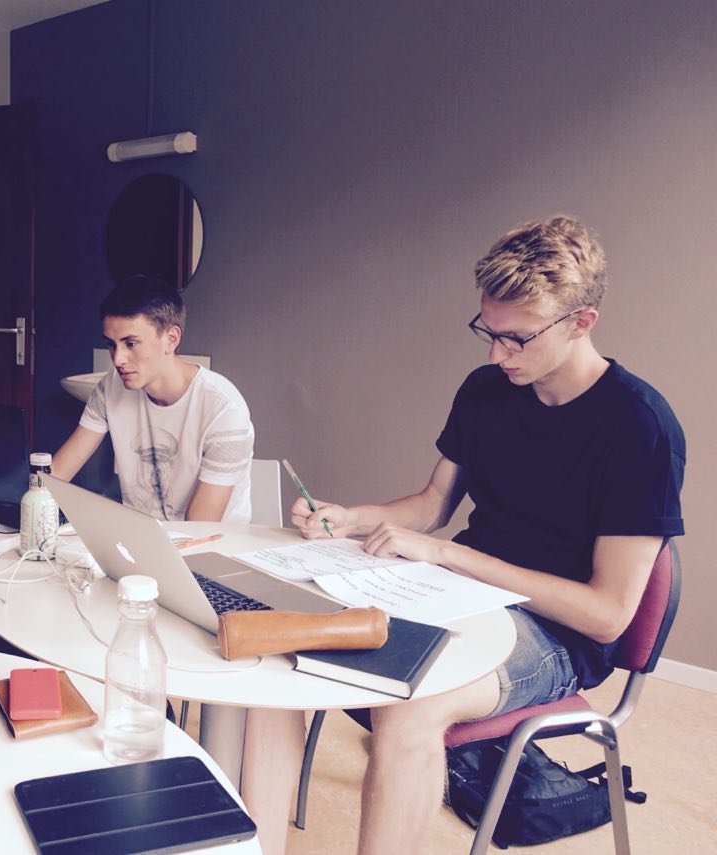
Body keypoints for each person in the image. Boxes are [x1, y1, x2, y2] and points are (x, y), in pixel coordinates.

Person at [242, 215, 686, 855]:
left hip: (555, 635)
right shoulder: (487, 390)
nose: (494, 354)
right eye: (488, 331)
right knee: (281, 660)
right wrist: (354, 517)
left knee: (408, 706)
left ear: (581, 322)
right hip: (450, 589)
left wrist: (454, 557)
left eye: (516, 339)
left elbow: (607, 615)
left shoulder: (639, 427)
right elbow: (430, 505)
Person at [49, 275, 254, 523]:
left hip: (211, 551)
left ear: (171, 339)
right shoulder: (110, 387)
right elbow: (55, 475)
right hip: (141, 542)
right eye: (111, 345)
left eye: (131, 343)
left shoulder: (223, 409)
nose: (118, 359)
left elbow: (199, 528)